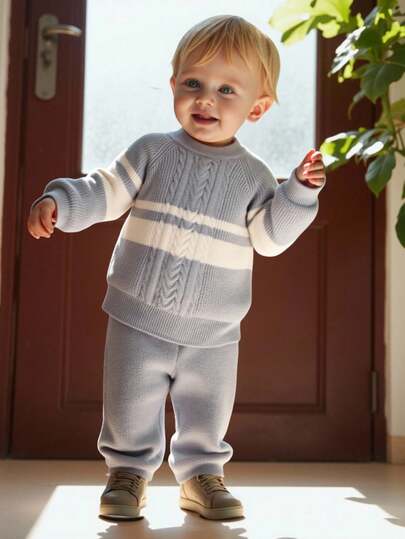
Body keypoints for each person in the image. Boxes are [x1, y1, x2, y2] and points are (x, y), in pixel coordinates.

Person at [27, 14, 326, 521]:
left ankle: (202, 476)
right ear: (173, 86)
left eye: (226, 90)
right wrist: (62, 201)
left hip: (214, 330)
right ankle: (127, 473)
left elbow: (271, 239)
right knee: (128, 403)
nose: (205, 99)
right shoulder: (152, 152)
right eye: (193, 83)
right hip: (136, 314)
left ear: (256, 107)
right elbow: (104, 191)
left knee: (208, 409)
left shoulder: (254, 177)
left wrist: (298, 192)